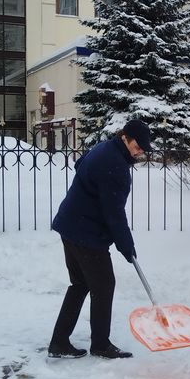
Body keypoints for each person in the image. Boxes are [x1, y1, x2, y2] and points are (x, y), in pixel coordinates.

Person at [47, 119, 152, 360]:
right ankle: (101, 345)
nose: (140, 152)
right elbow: (114, 213)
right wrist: (126, 245)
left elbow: (80, 165)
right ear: (125, 137)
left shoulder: (105, 148)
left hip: (70, 224)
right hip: (85, 232)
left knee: (80, 284)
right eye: (137, 146)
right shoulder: (114, 165)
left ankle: (59, 341)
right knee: (104, 285)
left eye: (143, 148)